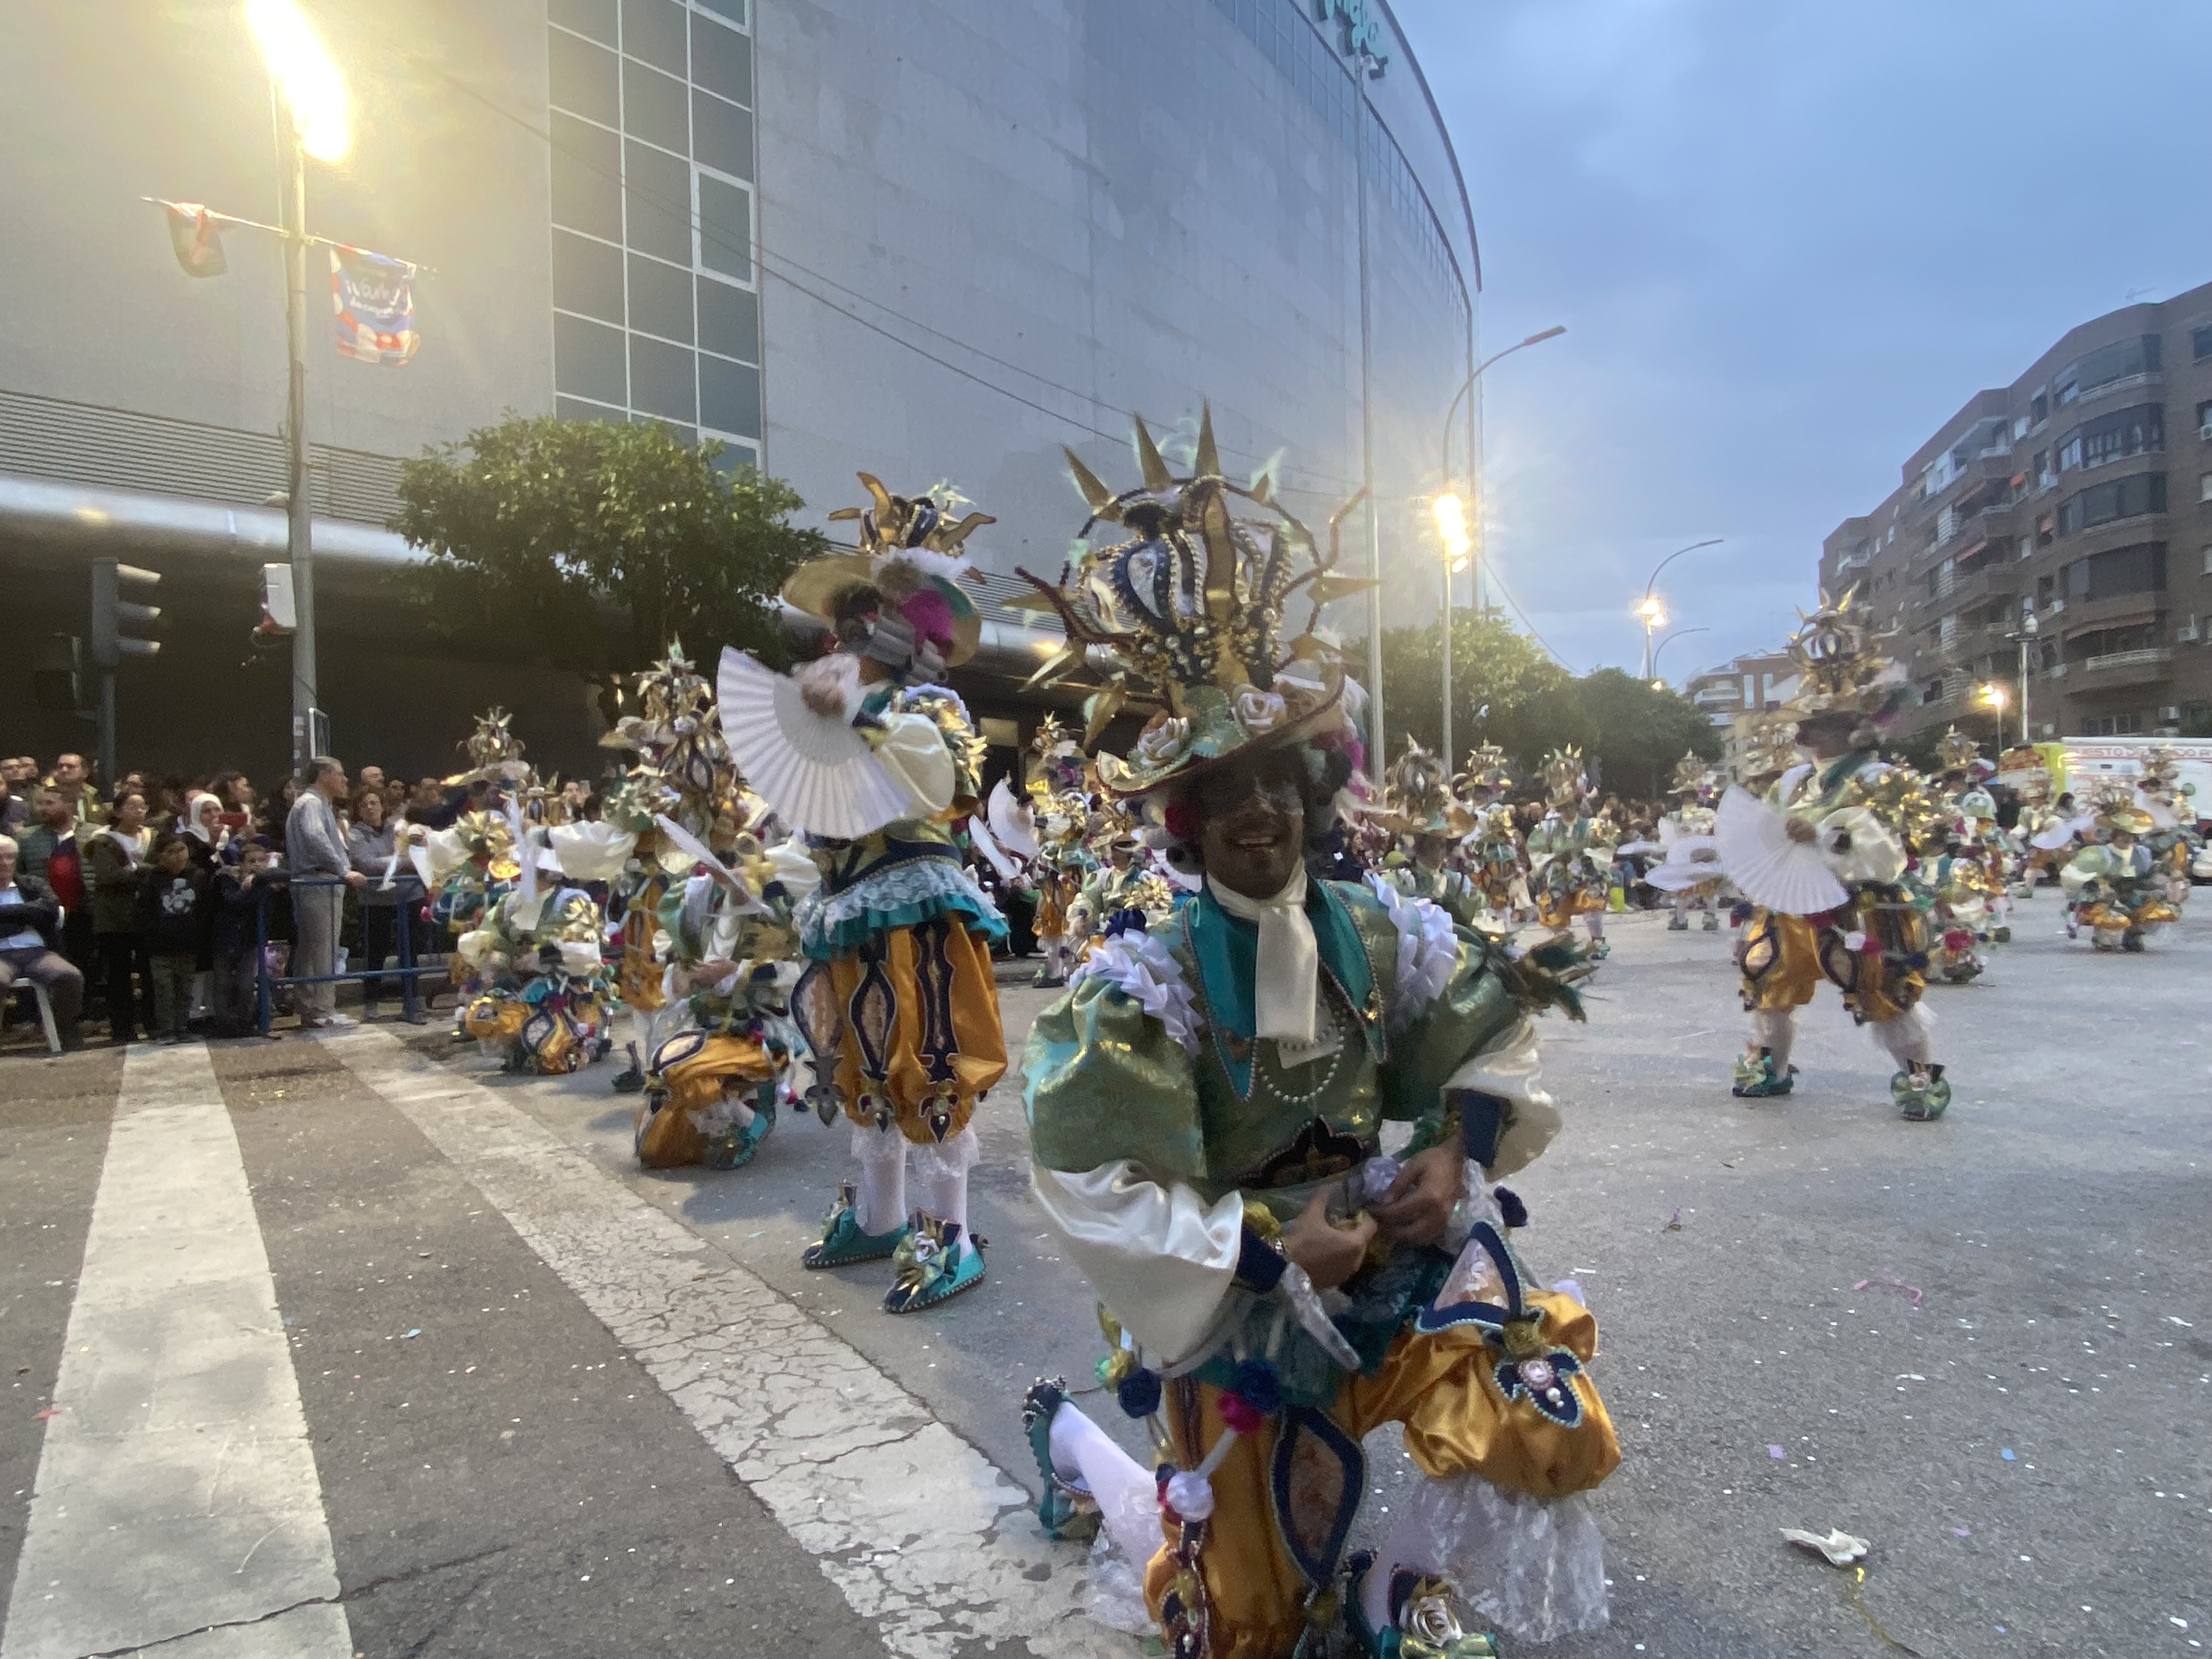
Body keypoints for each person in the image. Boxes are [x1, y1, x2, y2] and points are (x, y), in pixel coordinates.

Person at [1015, 414, 1616, 1659]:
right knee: (1240, 1626)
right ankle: (1077, 1448)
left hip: (1385, 1251)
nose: (1256, 818)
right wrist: (1269, 1251)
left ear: (1312, 795)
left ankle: (1394, 1586)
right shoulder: (1148, 981)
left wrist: (1453, 1156)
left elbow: (1478, 1046)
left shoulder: (1380, 931)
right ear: (1188, 820)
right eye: (1225, 797)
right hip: (1236, 1295)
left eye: (1277, 789)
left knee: (1531, 1401)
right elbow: (1095, 1177)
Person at [736, 473, 1009, 1315]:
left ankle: (950, 1231)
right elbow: (818, 821)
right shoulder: (834, 712)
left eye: (854, 632)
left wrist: (866, 720)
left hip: (916, 908)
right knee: (859, 1063)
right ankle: (885, 1214)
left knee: (928, 1059)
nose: (835, 646)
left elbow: (947, 784)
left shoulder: (929, 707)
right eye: (837, 631)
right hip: (849, 908)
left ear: (894, 637)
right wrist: (767, 860)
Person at [1721, 590, 1951, 1120]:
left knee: (1883, 992)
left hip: (1857, 904)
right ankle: (1770, 1069)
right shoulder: (1795, 779)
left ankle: (1918, 1077)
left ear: (1853, 726)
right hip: (1788, 902)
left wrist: (1823, 835)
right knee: (1768, 981)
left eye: (1817, 724)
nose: (1803, 734)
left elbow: (1891, 853)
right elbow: (1768, 831)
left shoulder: (1880, 779)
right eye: (1804, 723)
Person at [286, 758, 365, 1029]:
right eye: (341, 774)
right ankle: (322, 1009)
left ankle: (312, 1008)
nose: (345, 781)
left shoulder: (318, 804)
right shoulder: (311, 803)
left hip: (319, 880)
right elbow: (315, 837)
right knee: (323, 947)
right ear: (324, 775)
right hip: (318, 880)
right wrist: (343, 869)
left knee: (312, 948)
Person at [0, 833, 84, 1048]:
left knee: (70, 976)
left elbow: (50, 909)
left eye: (9, 857)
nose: (4, 863)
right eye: (0, 857)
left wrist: (7, 916)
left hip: (37, 953)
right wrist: (26, 920)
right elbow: (37, 914)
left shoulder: (32, 884)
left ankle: (64, 1029)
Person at [84, 788, 154, 1042]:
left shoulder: (151, 837)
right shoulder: (103, 841)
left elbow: (160, 869)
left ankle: (153, 1023)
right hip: (114, 918)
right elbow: (109, 876)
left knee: (150, 971)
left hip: (146, 916)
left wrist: (136, 870)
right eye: (132, 807)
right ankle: (122, 1028)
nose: (139, 812)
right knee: (118, 974)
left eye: (143, 806)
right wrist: (142, 873)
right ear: (117, 812)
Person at [139, 832, 210, 1042]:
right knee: (164, 990)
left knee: (185, 989)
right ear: (160, 855)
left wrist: (199, 934)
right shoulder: (153, 879)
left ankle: (182, 1026)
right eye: (171, 852)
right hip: (160, 947)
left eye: (181, 850)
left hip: (188, 943)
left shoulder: (198, 876)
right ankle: (166, 1029)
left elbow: (205, 909)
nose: (178, 856)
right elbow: (143, 912)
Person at [346, 785, 403, 1019]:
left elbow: (412, 854)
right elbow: (366, 864)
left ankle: (411, 999)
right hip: (373, 901)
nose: (370, 808)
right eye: (364, 804)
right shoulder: (355, 834)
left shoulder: (396, 829)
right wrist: (399, 862)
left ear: (383, 806)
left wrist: (393, 861)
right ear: (358, 809)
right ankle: (371, 1003)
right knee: (374, 953)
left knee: (410, 950)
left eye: (374, 803)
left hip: (402, 896)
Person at [211, 841, 277, 1037]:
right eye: (251, 861)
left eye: (261, 861)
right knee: (223, 982)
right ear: (241, 863)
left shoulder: (263, 881)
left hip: (248, 940)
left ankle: (245, 1022)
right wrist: (253, 887)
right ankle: (225, 1024)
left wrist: (258, 881)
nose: (257, 865)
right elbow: (234, 901)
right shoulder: (226, 878)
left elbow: (286, 875)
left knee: (246, 984)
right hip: (225, 937)